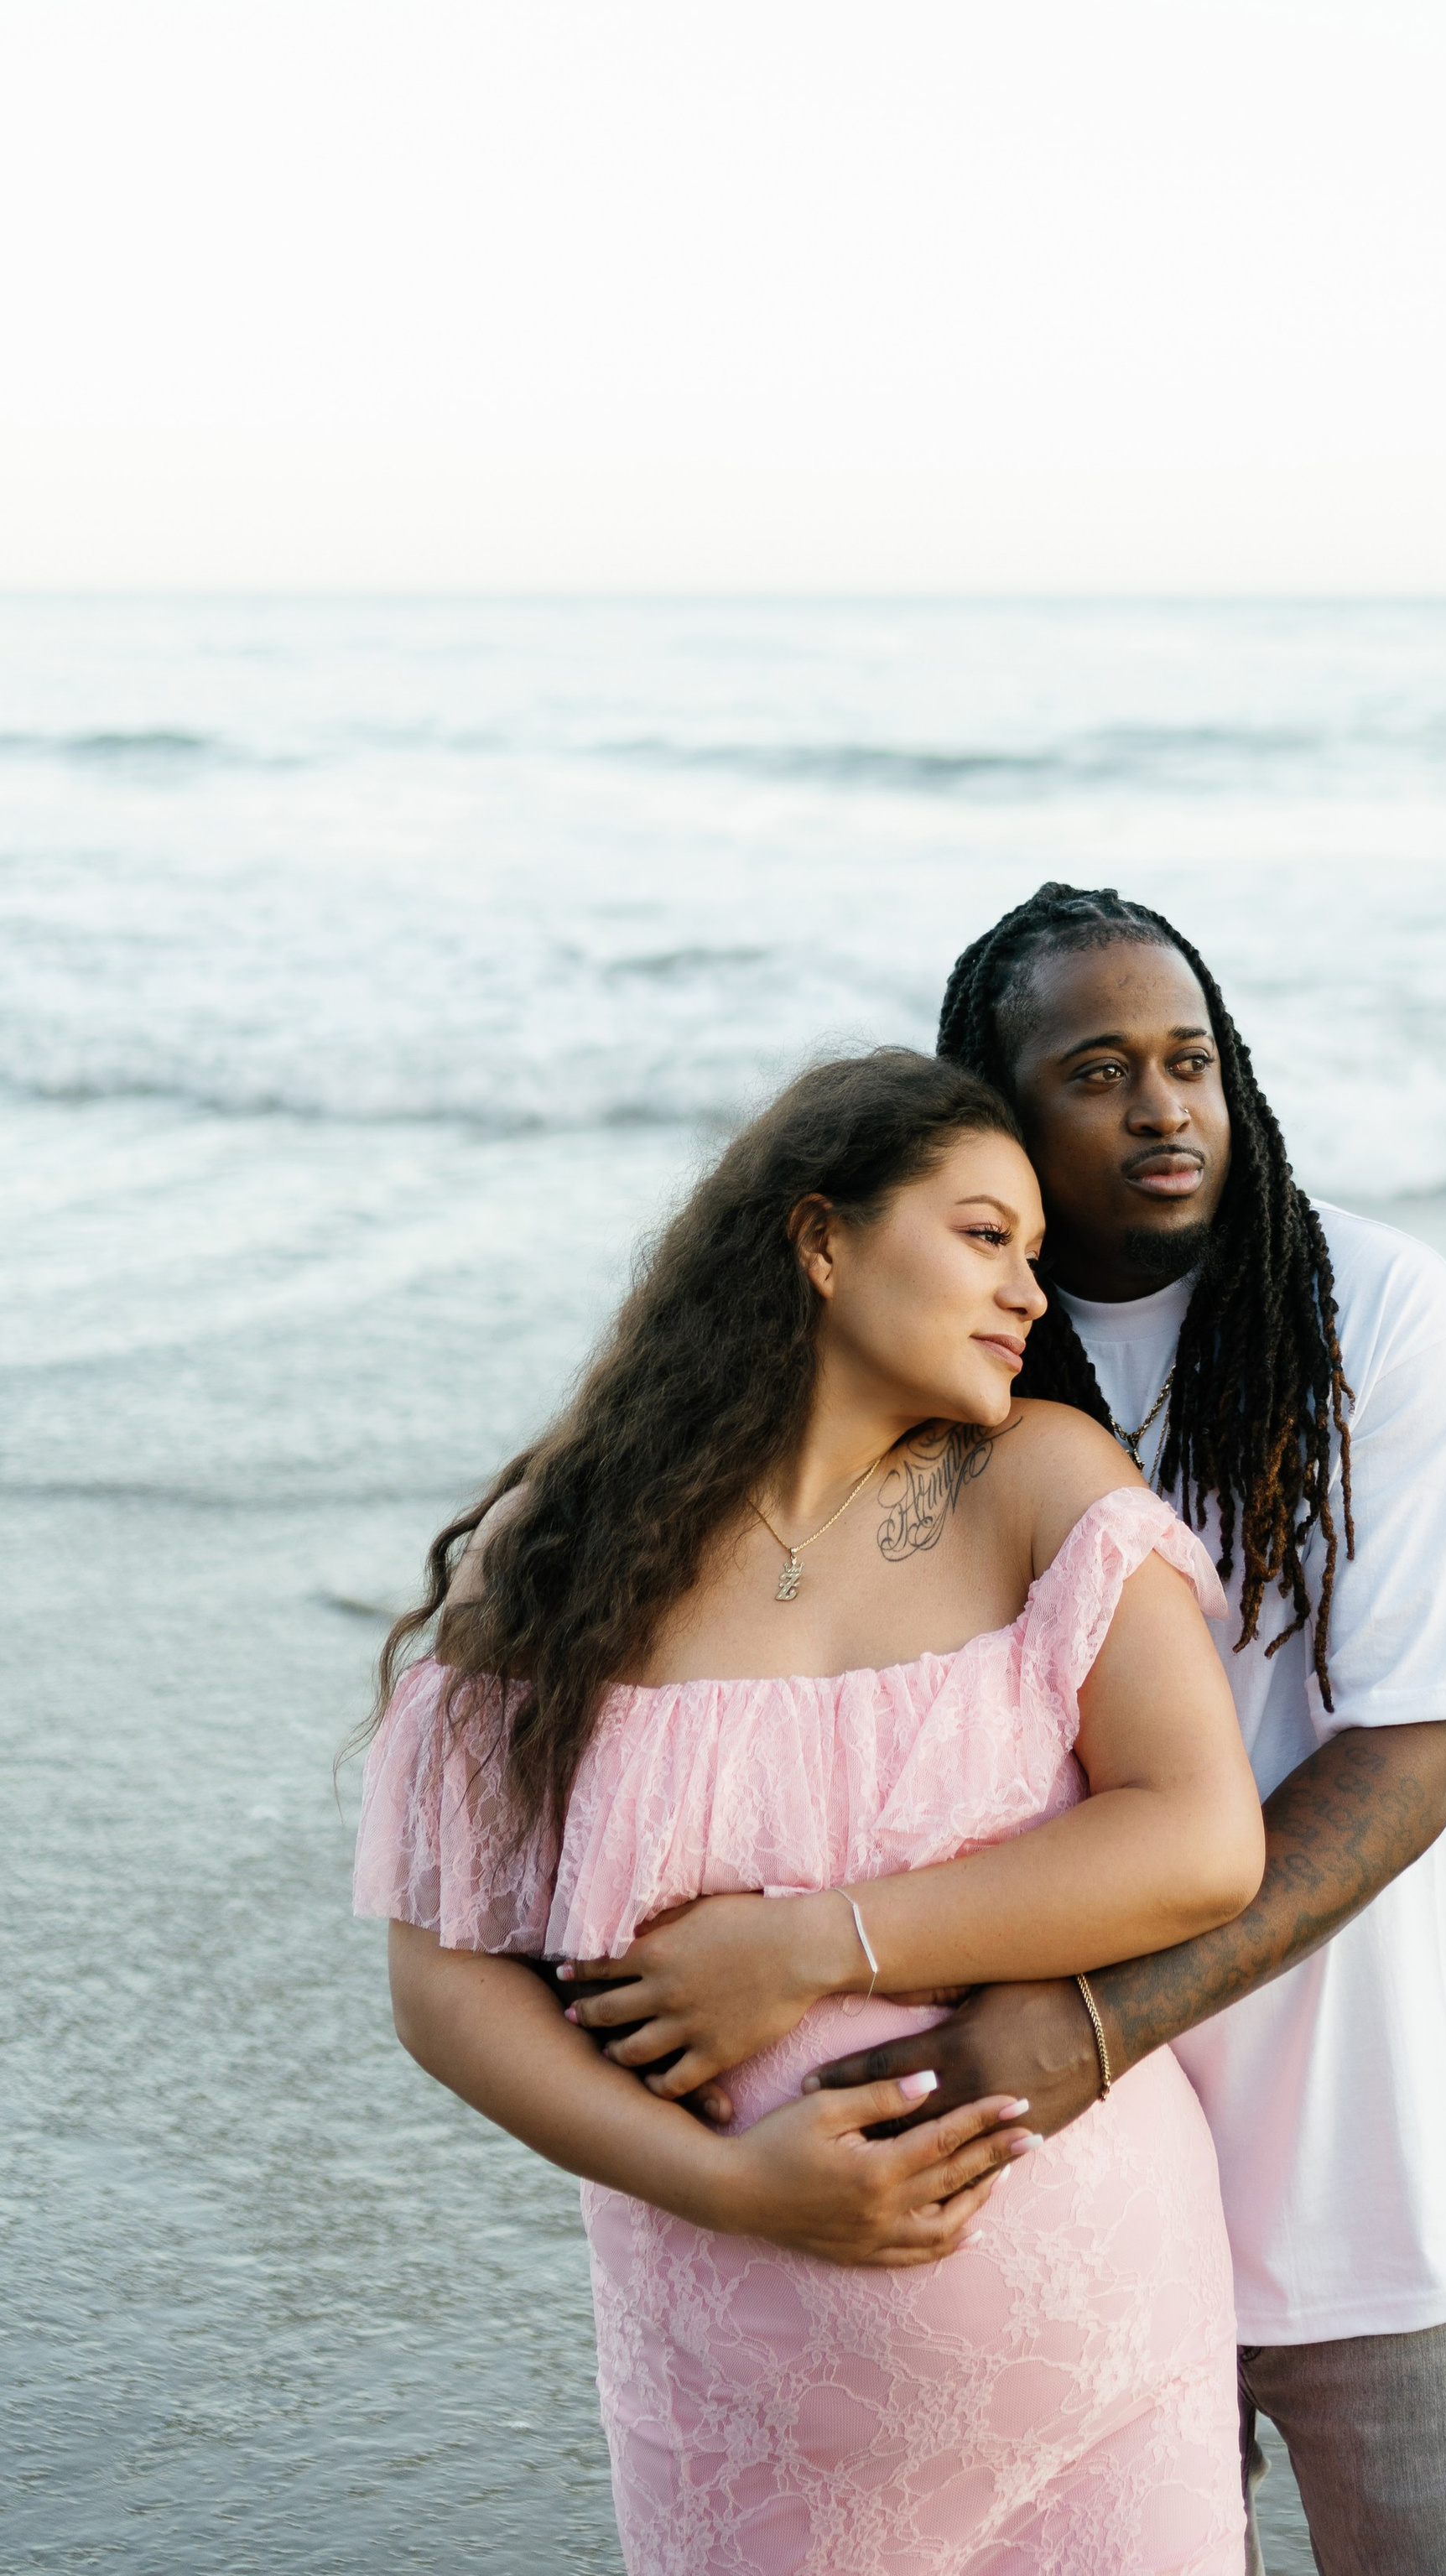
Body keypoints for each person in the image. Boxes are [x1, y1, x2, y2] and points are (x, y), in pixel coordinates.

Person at [356, 1048, 1268, 2574]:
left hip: (1109, 2376)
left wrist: (809, 1949)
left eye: (1036, 1257)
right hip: (739, 2403)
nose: (1031, 1295)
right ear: (823, 1240)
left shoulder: (1041, 1483)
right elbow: (444, 1984)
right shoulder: (564, 1551)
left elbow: (1199, 1839)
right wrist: (730, 2185)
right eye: (986, 1237)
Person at [804, 886, 1446, 2574]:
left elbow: (1403, 1760)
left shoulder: (1376, 1312)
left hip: (1376, 2181)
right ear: (995, 1113)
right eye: (1095, 1072)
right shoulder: (941, 1352)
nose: (1162, 1108)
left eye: (1189, 1060)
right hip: (1056, 2211)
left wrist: (1087, 2027)